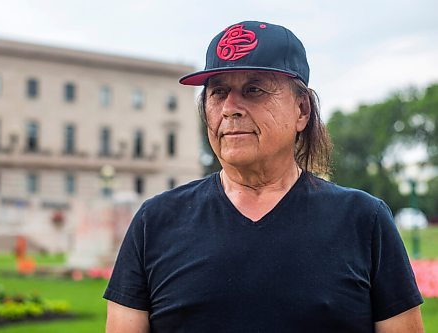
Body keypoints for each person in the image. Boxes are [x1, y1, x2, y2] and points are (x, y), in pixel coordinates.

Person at [104, 20, 424, 332]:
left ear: (302, 110)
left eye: (253, 89)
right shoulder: (155, 220)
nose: (230, 107)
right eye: (217, 92)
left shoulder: (364, 220)